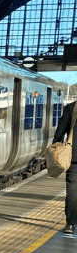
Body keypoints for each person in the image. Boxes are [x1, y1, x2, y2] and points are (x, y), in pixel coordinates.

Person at [54, 100, 77, 236]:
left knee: (73, 190)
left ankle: (71, 224)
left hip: (73, 155)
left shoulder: (72, 108)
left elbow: (60, 131)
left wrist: (55, 147)